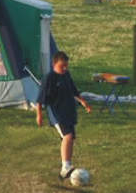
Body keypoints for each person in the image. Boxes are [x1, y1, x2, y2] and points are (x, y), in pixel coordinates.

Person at [36, 51, 92, 180]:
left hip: (68, 112)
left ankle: (64, 170)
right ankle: (65, 165)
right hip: (56, 113)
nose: (65, 69)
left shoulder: (66, 75)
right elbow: (40, 99)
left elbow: (73, 90)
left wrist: (83, 102)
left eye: (66, 66)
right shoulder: (49, 78)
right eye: (62, 66)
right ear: (54, 64)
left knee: (70, 138)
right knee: (68, 136)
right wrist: (39, 115)